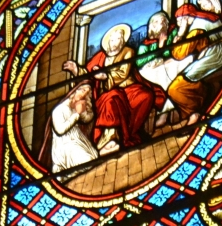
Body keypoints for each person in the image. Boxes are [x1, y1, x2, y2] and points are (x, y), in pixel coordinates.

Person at [63, 24, 157, 154]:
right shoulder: (100, 57)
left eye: (119, 38)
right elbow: (87, 73)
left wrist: (105, 77)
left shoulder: (128, 52)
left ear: (123, 40)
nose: (115, 42)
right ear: (107, 41)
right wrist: (76, 70)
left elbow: (123, 73)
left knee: (146, 95)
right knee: (112, 97)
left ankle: (128, 134)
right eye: (112, 39)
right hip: (107, 94)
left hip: (129, 89)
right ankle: (109, 140)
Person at [168, 0, 222, 125]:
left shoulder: (197, 27)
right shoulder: (206, 18)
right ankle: (188, 109)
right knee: (188, 75)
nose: (178, 24)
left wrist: (180, 34)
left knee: (175, 87)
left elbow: (179, 54)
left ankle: (194, 111)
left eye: (180, 20)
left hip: (218, 55)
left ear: (186, 17)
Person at [135, 11, 191, 125]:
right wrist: (159, 46)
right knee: (163, 81)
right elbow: (139, 62)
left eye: (162, 21)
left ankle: (173, 111)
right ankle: (168, 112)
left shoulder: (172, 33)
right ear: (151, 25)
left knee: (174, 77)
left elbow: (168, 54)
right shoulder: (145, 44)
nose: (159, 24)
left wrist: (164, 44)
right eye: (156, 22)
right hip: (151, 74)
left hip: (171, 65)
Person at [50, 82, 99, 173]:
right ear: (74, 92)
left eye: (87, 96)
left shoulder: (76, 107)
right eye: (83, 91)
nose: (84, 96)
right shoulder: (59, 109)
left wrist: (87, 110)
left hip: (78, 140)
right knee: (88, 161)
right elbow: (60, 130)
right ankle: (63, 171)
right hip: (65, 145)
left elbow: (87, 119)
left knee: (95, 157)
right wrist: (76, 115)